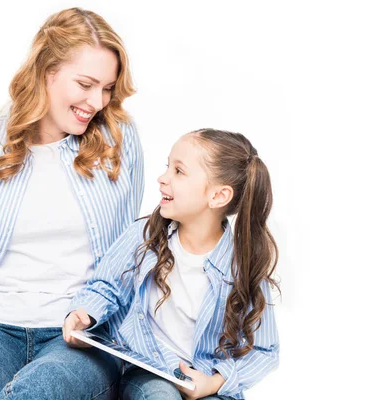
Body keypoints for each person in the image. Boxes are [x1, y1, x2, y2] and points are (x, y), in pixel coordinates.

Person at [0, 7, 144, 400]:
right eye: (85, 84)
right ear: (46, 70)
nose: (97, 101)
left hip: (81, 333)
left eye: (106, 88)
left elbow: (126, 250)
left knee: (35, 393)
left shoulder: (119, 141)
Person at [64, 129, 280, 400]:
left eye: (179, 171)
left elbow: (264, 351)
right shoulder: (144, 235)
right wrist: (85, 314)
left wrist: (214, 383)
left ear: (218, 196)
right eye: (168, 167)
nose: (162, 178)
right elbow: (106, 287)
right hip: (149, 371)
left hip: (205, 382)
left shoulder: (244, 267)